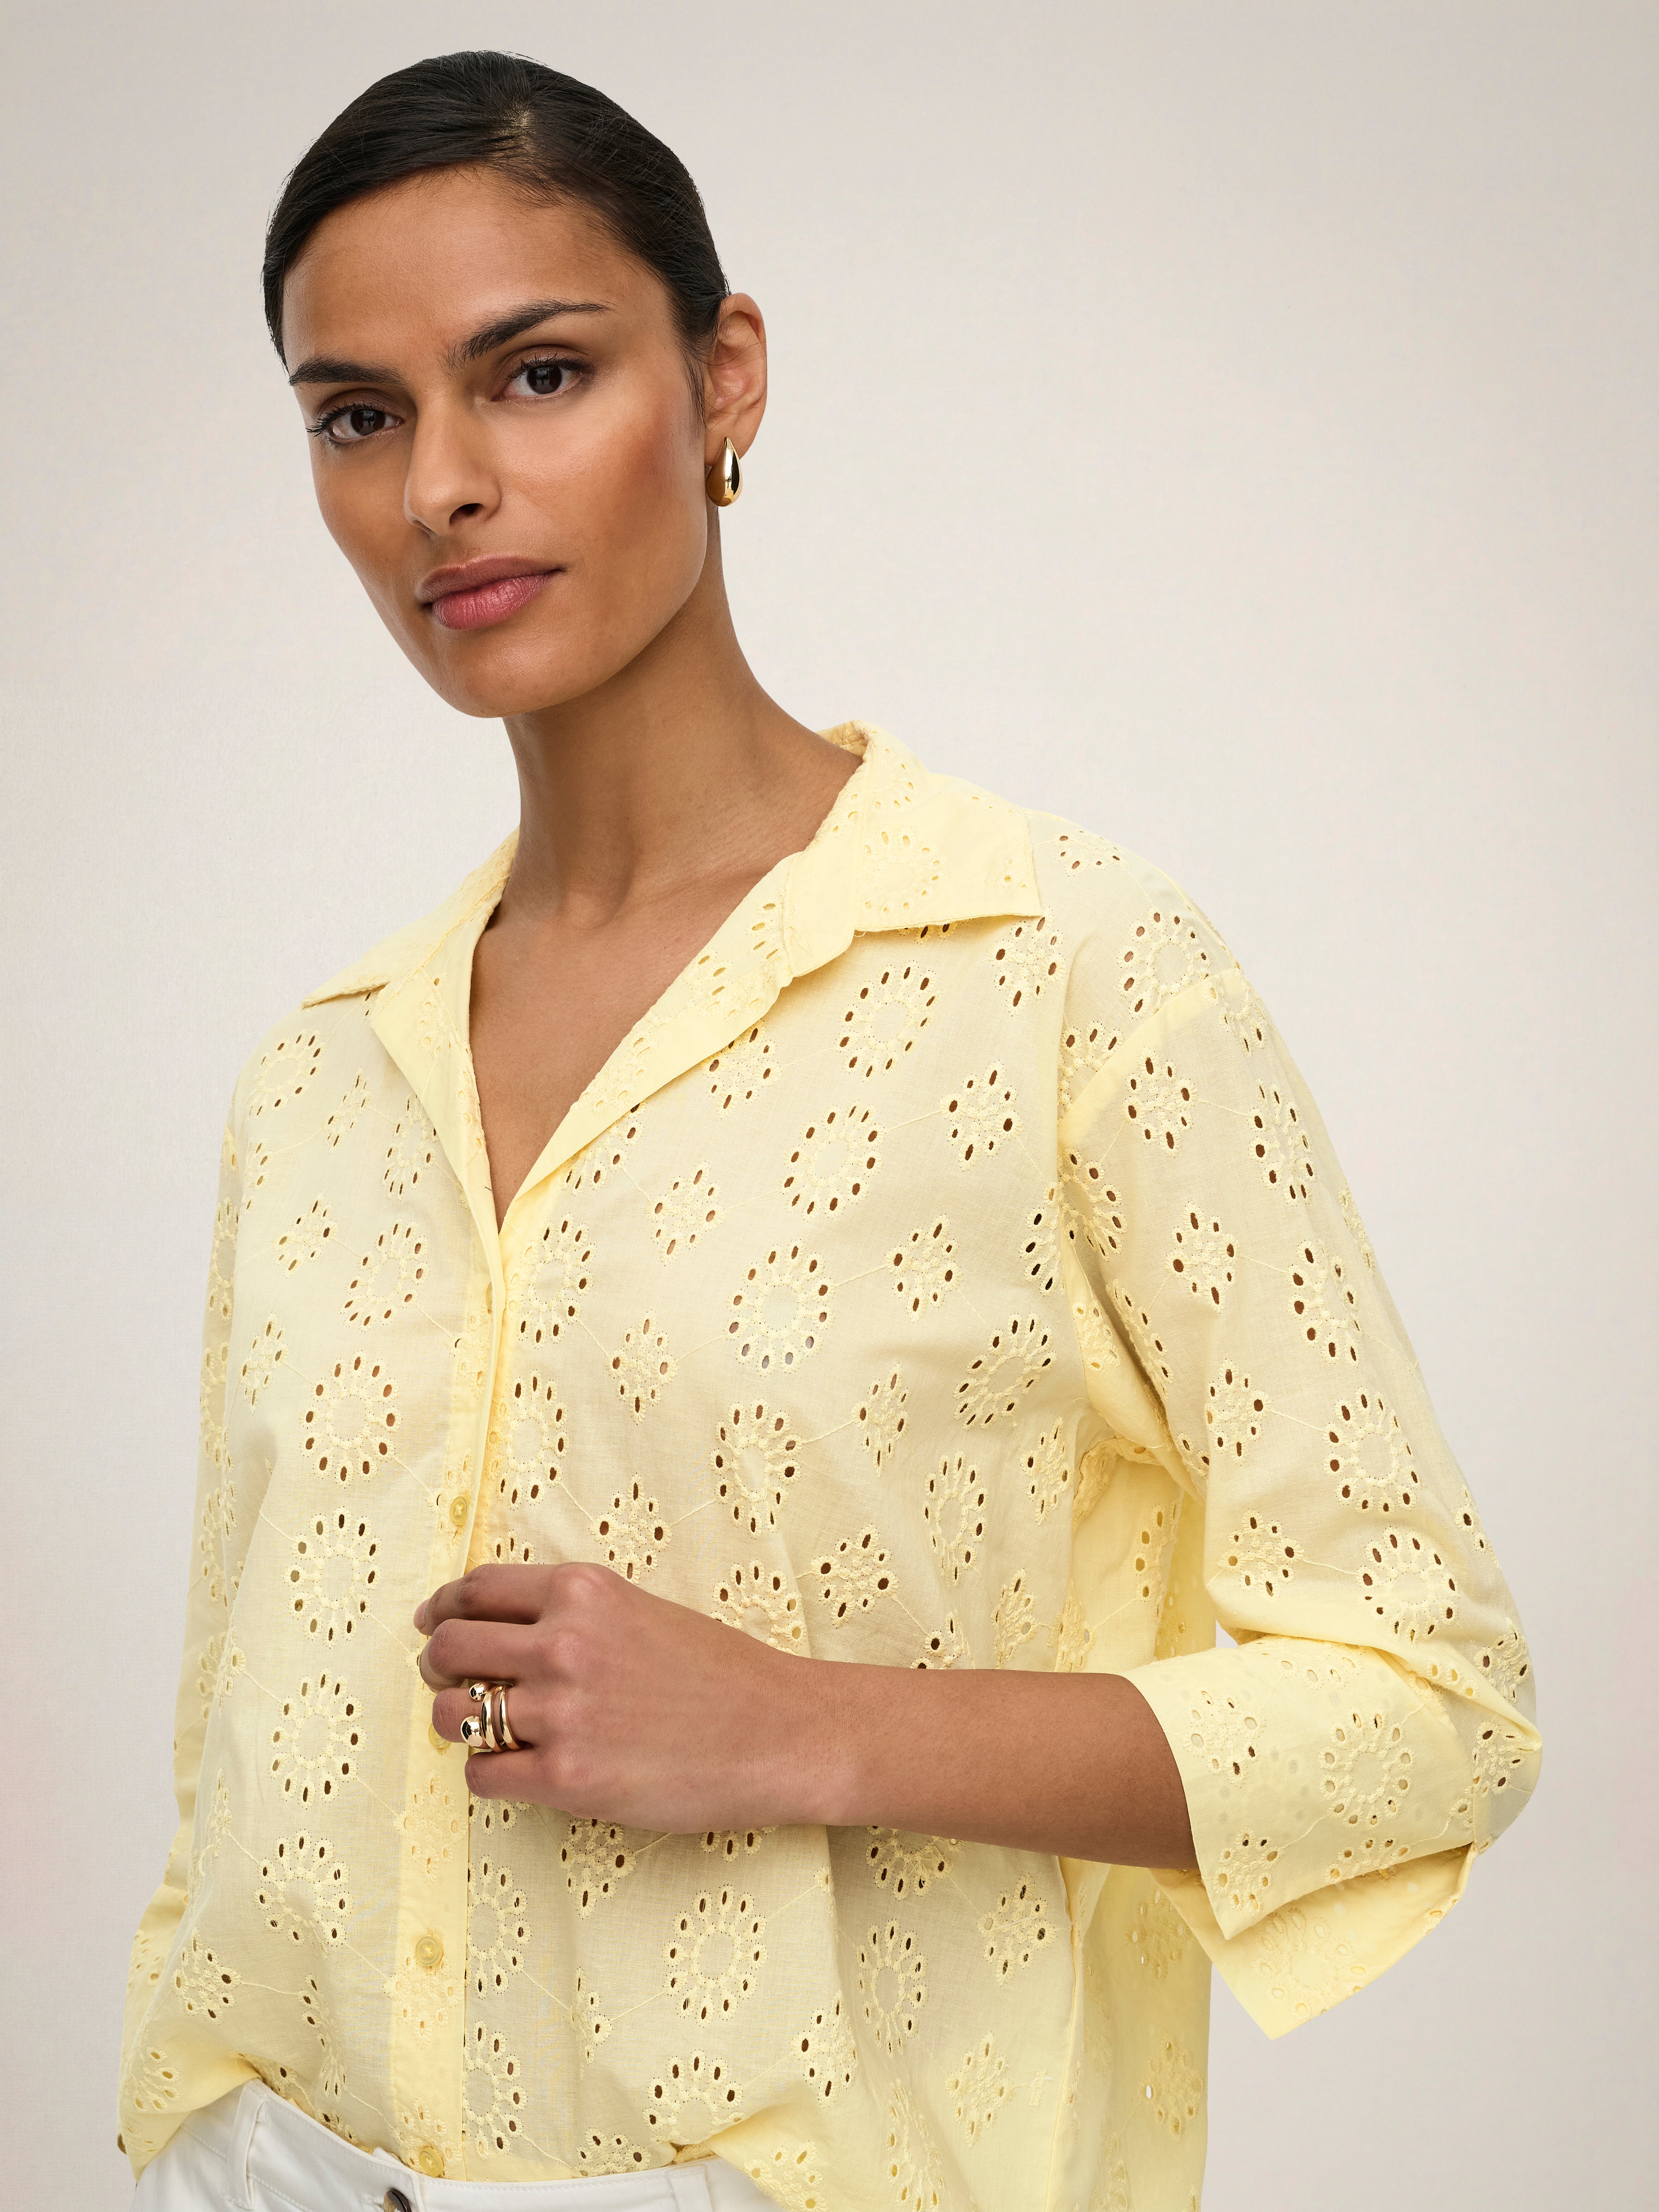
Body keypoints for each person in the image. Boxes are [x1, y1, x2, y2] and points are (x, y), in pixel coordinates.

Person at [118, 50, 1540, 2212]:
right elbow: (237, 1749)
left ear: (726, 379)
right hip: (258, 2170)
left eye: (537, 374)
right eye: (358, 417)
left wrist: (803, 1725)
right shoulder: (320, 1075)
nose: (441, 490)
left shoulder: (1069, 974)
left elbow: (1434, 1708)